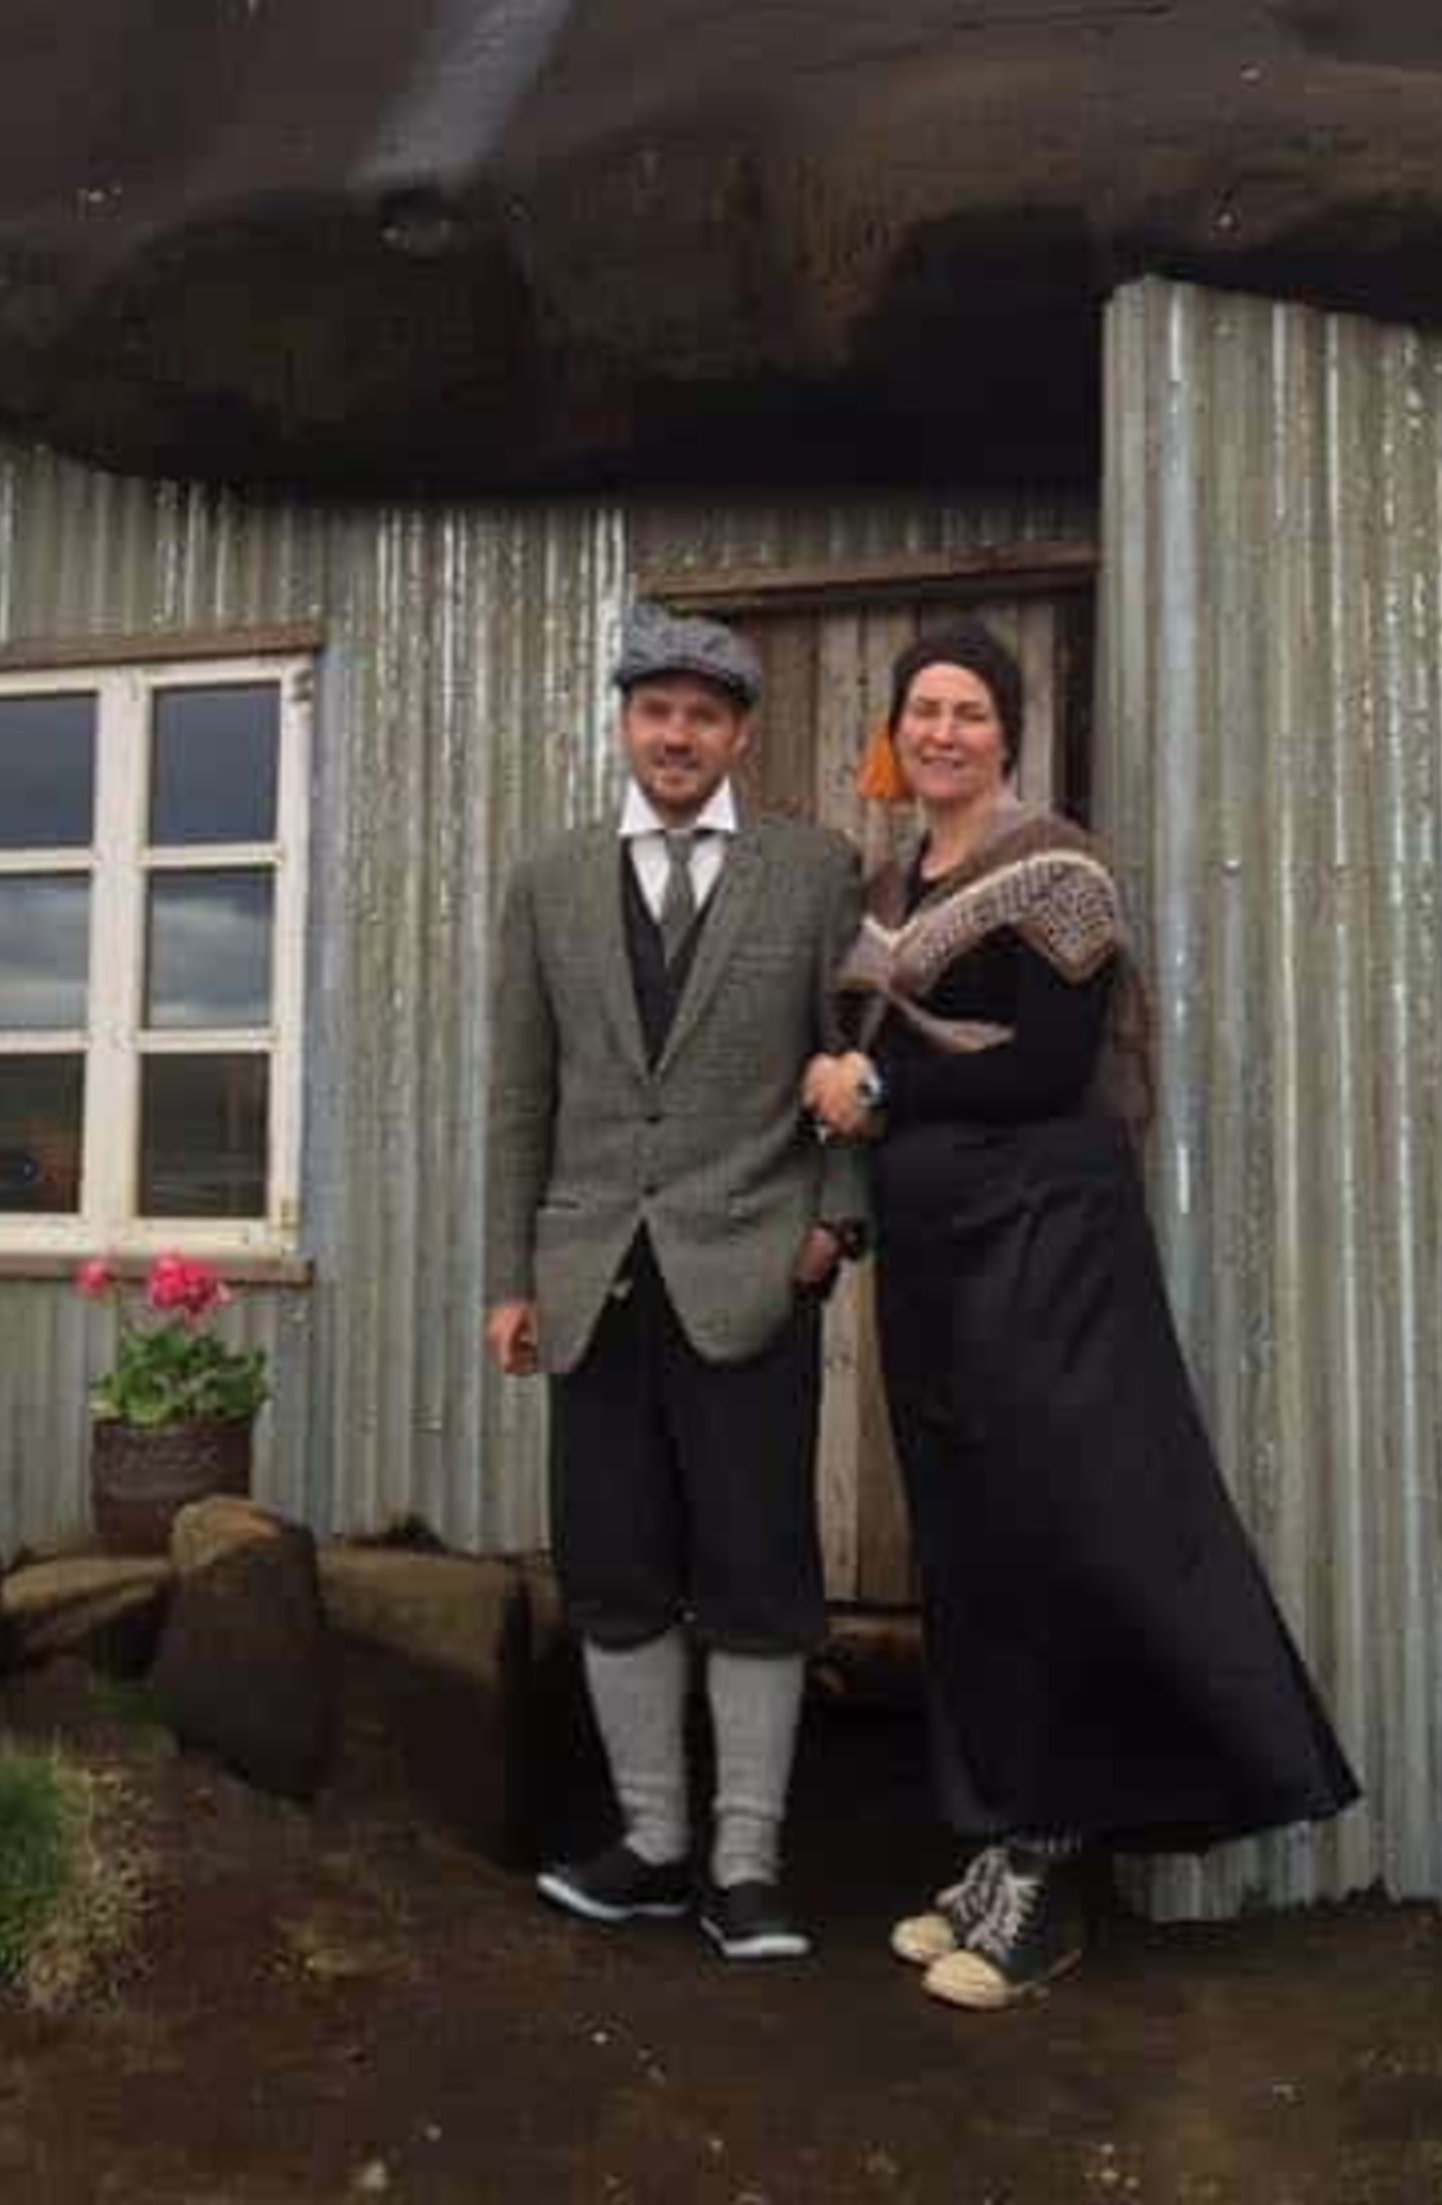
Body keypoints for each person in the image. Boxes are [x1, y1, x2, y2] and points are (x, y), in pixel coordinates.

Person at [806, 619, 1358, 2011]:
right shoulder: (886, 884)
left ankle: (1055, 1877)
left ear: (1009, 733)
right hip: (933, 1252)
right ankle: (1001, 1841)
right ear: (895, 732)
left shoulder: (1059, 870)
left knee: (1062, 1531)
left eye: (970, 713)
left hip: (1047, 1242)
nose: (942, 732)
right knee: (969, 1542)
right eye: (922, 710)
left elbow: (1049, 1068)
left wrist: (879, 1094)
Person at [485, 601, 869, 1964]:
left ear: (740, 735)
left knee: (759, 1566)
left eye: (703, 715)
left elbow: (858, 1068)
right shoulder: (547, 881)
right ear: (626, 724)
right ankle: (652, 1844)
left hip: (749, 1272)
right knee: (614, 1562)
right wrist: (508, 1275)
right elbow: (521, 1094)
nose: (677, 734)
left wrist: (833, 1228)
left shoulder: (817, 873)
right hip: (591, 1277)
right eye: (655, 710)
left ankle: (748, 1864)